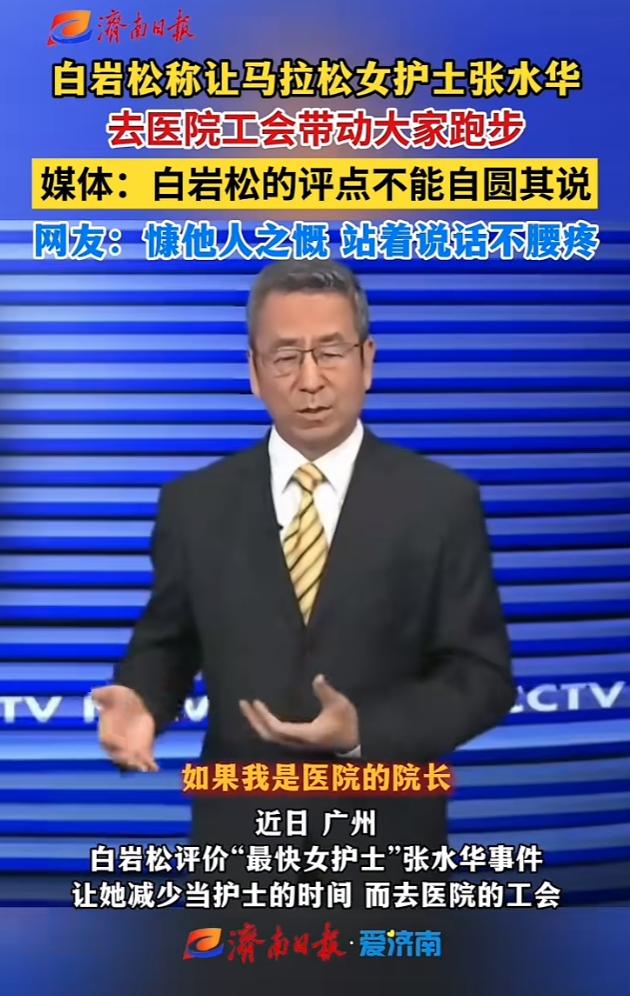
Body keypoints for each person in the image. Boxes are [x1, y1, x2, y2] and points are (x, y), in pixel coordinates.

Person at [92, 259, 516, 888]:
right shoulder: (194, 505)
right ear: (254, 372)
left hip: (389, 844)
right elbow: (169, 642)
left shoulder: (441, 503)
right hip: (241, 845)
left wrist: (362, 732)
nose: (310, 380)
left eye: (331, 352)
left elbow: (482, 678)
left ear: (367, 361)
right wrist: (141, 699)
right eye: (286, 357)